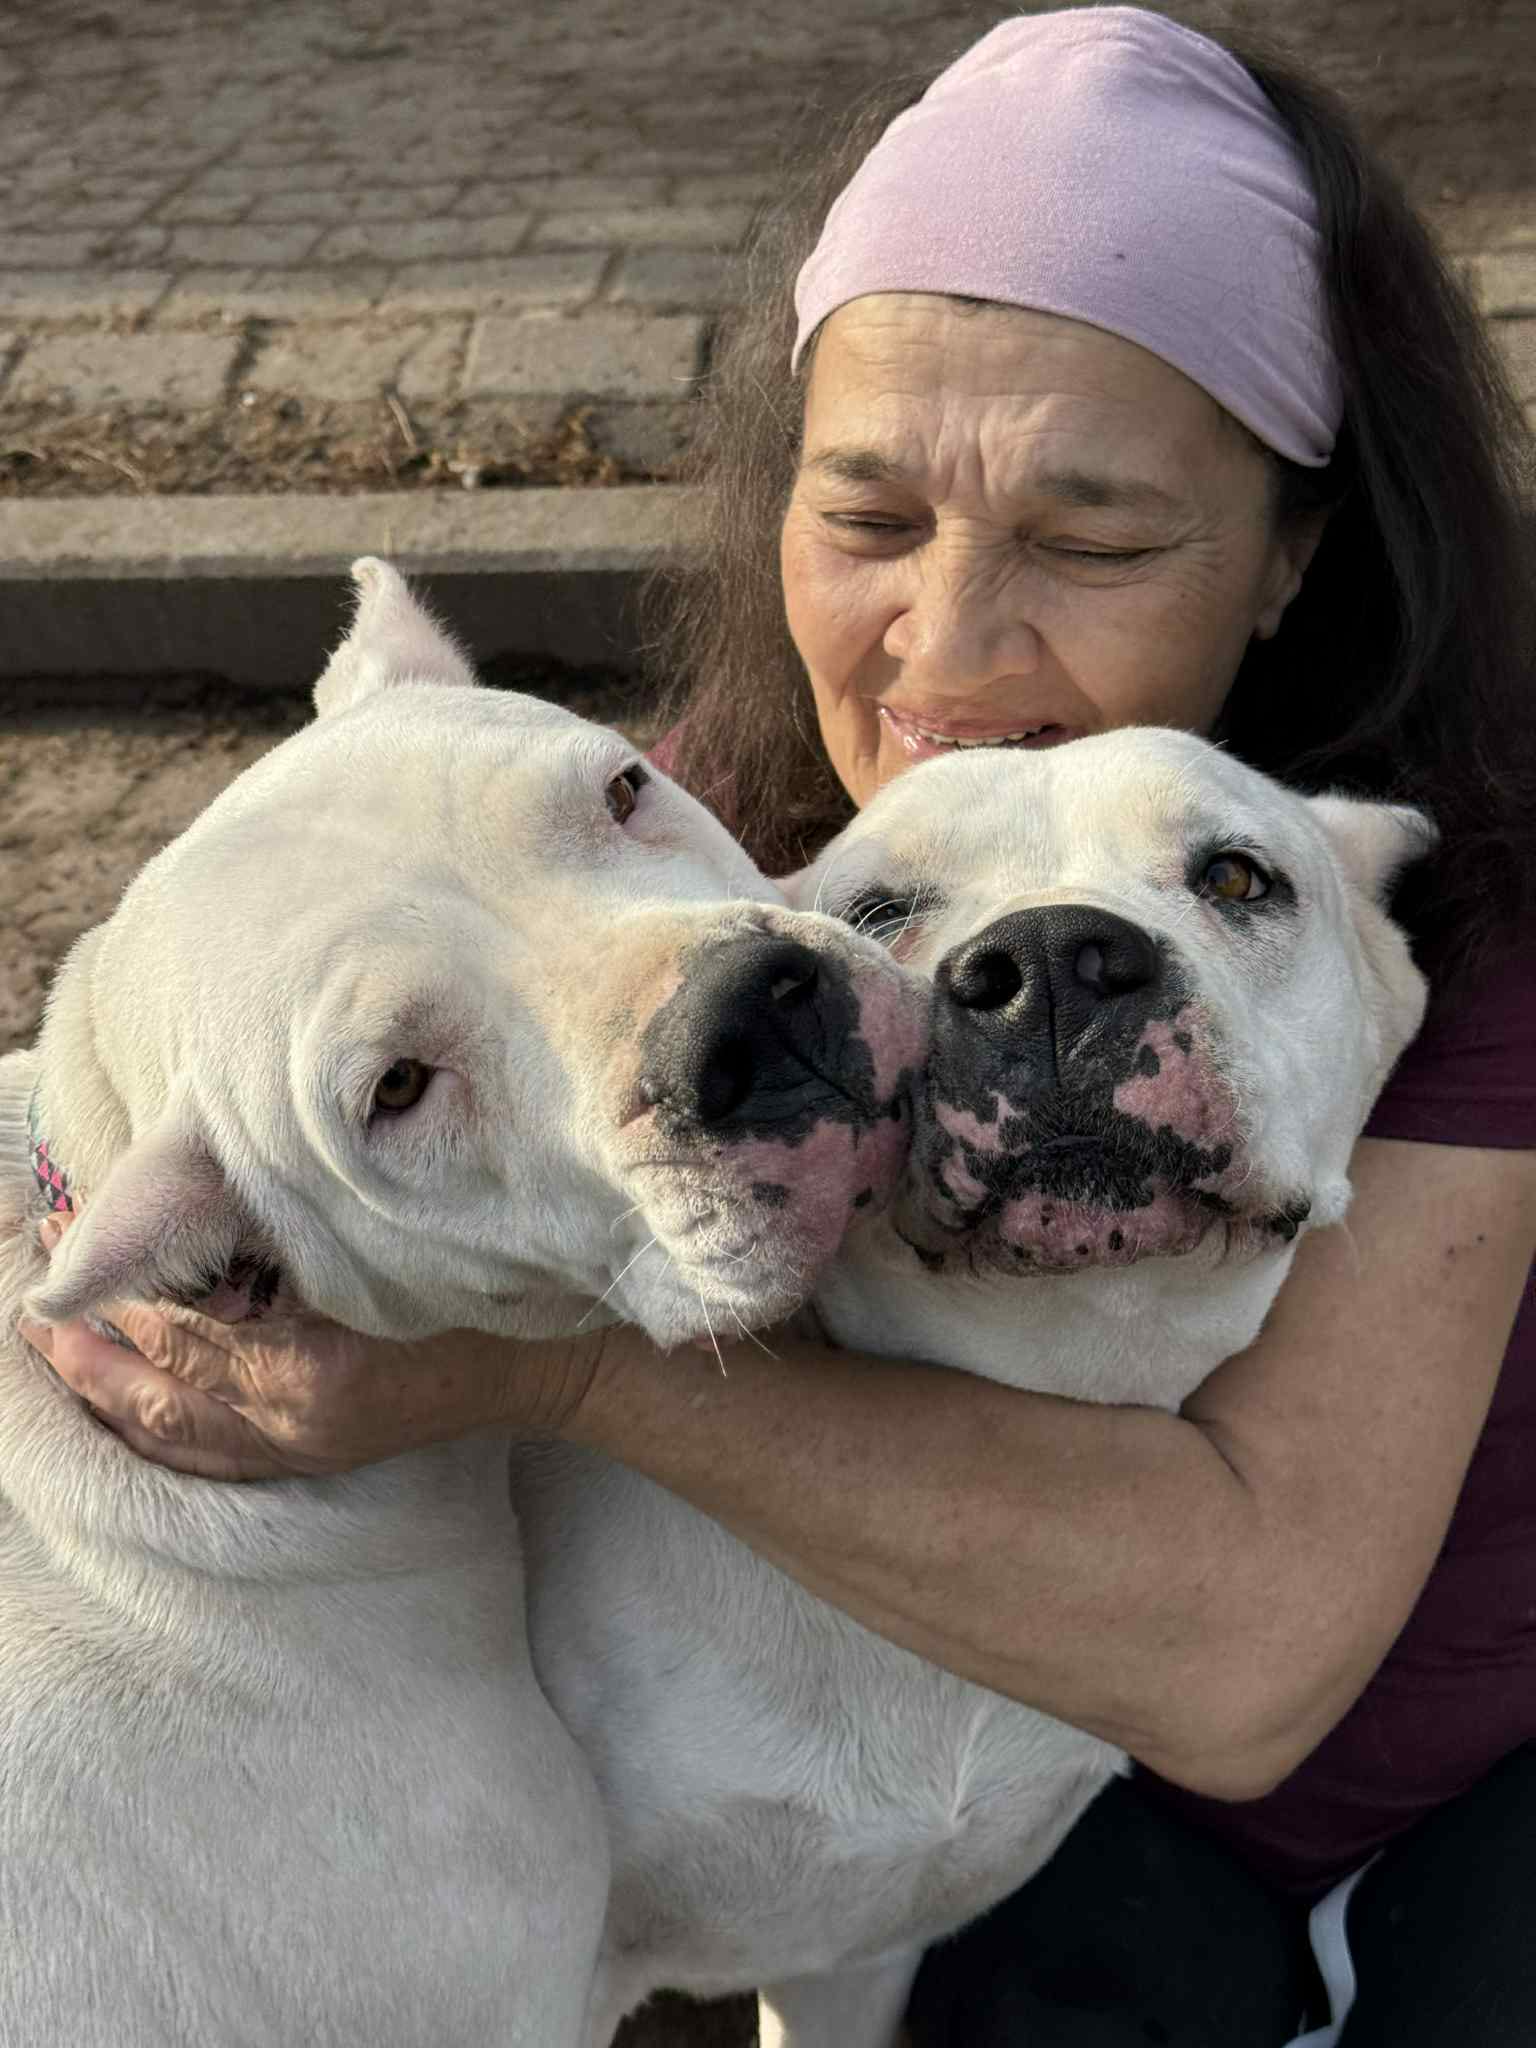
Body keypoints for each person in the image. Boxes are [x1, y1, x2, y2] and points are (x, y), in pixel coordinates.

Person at [21, 9, 1536, 2042]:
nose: (951, 651)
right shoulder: (704, 845)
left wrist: (542, 1379)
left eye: (1094, 537)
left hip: (1394, 1793)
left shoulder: (1457, 895)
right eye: (868, 519)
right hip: (998, 1856)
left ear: (1294, 553)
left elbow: (1247, 1650)